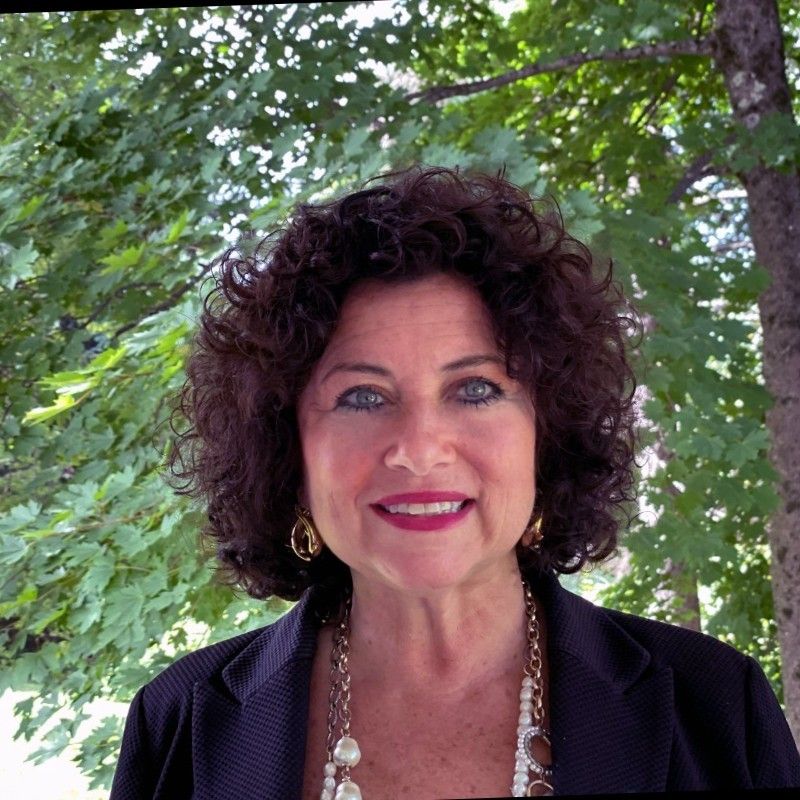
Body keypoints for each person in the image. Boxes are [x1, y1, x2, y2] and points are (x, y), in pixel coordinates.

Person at [110, 166, 800, 800]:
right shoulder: (175, 729)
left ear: (547, 432)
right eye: (361, 397)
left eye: (474, 389)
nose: (418, 450)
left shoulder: (717, 709)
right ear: (286, 450)